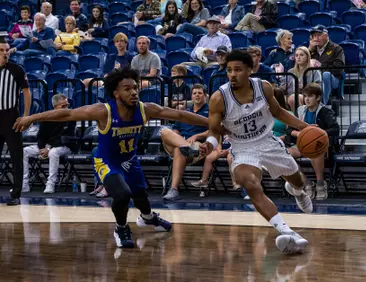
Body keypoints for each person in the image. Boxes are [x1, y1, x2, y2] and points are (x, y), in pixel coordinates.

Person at [13, 66, 209, 248]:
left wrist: (212, 123)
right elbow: (68, 114)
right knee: (122, 195)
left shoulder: (145, 108)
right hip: (106, 161)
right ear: (116, 93)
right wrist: (32, 117)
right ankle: (121, 228)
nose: (133, 92)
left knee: (141, 196)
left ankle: (148, 218)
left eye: (135, 88)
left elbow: (179, 115)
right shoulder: (104, 111)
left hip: (129, 160)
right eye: (127, 89)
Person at [199, 50, 313, 254]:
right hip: (242, 148)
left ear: (250, 71)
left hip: (267, 142)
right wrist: (209, 143)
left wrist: (308, 129)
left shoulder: (264, 87)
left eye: (238, 70)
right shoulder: (219, 98)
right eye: (229, 70)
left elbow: (279, 112)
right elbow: (215, 130)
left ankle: (296, 190)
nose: (232, 74)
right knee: (248, 182)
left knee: (298, 180)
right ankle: (287, 232)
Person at [287, 83, 339, 201]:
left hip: (320, 144)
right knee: (285, 154)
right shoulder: (300, 111)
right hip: (302, 144)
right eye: (305, 96)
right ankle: (306, 183)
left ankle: (320, 184)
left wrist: (316, 132)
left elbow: (335, 129)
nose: (307, 99)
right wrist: (300, 133)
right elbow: (289, 129)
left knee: (317, 151)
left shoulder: (325, 111)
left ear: (318, 98)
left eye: (310, 96)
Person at [22, 94, 76, 194]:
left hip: (64, 146)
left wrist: (48, 149)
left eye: (67, 105)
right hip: (47, 146)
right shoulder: (46, 117)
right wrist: (42, 148)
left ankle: (51, 184)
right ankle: (24, 184)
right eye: (63, 106)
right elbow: (41, 136)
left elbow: (63, 138)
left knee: (53, 153)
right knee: (24, 151)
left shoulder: (71, 117)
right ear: (55, 107)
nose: (66, 108)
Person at [0, 37, 31, 206]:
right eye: (1, 50)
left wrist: (26, 115)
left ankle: (16, 194)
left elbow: (27, 93)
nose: (5, 53)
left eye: (7, 50)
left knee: (16, 156)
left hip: (11, 116)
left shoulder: (16, 69)